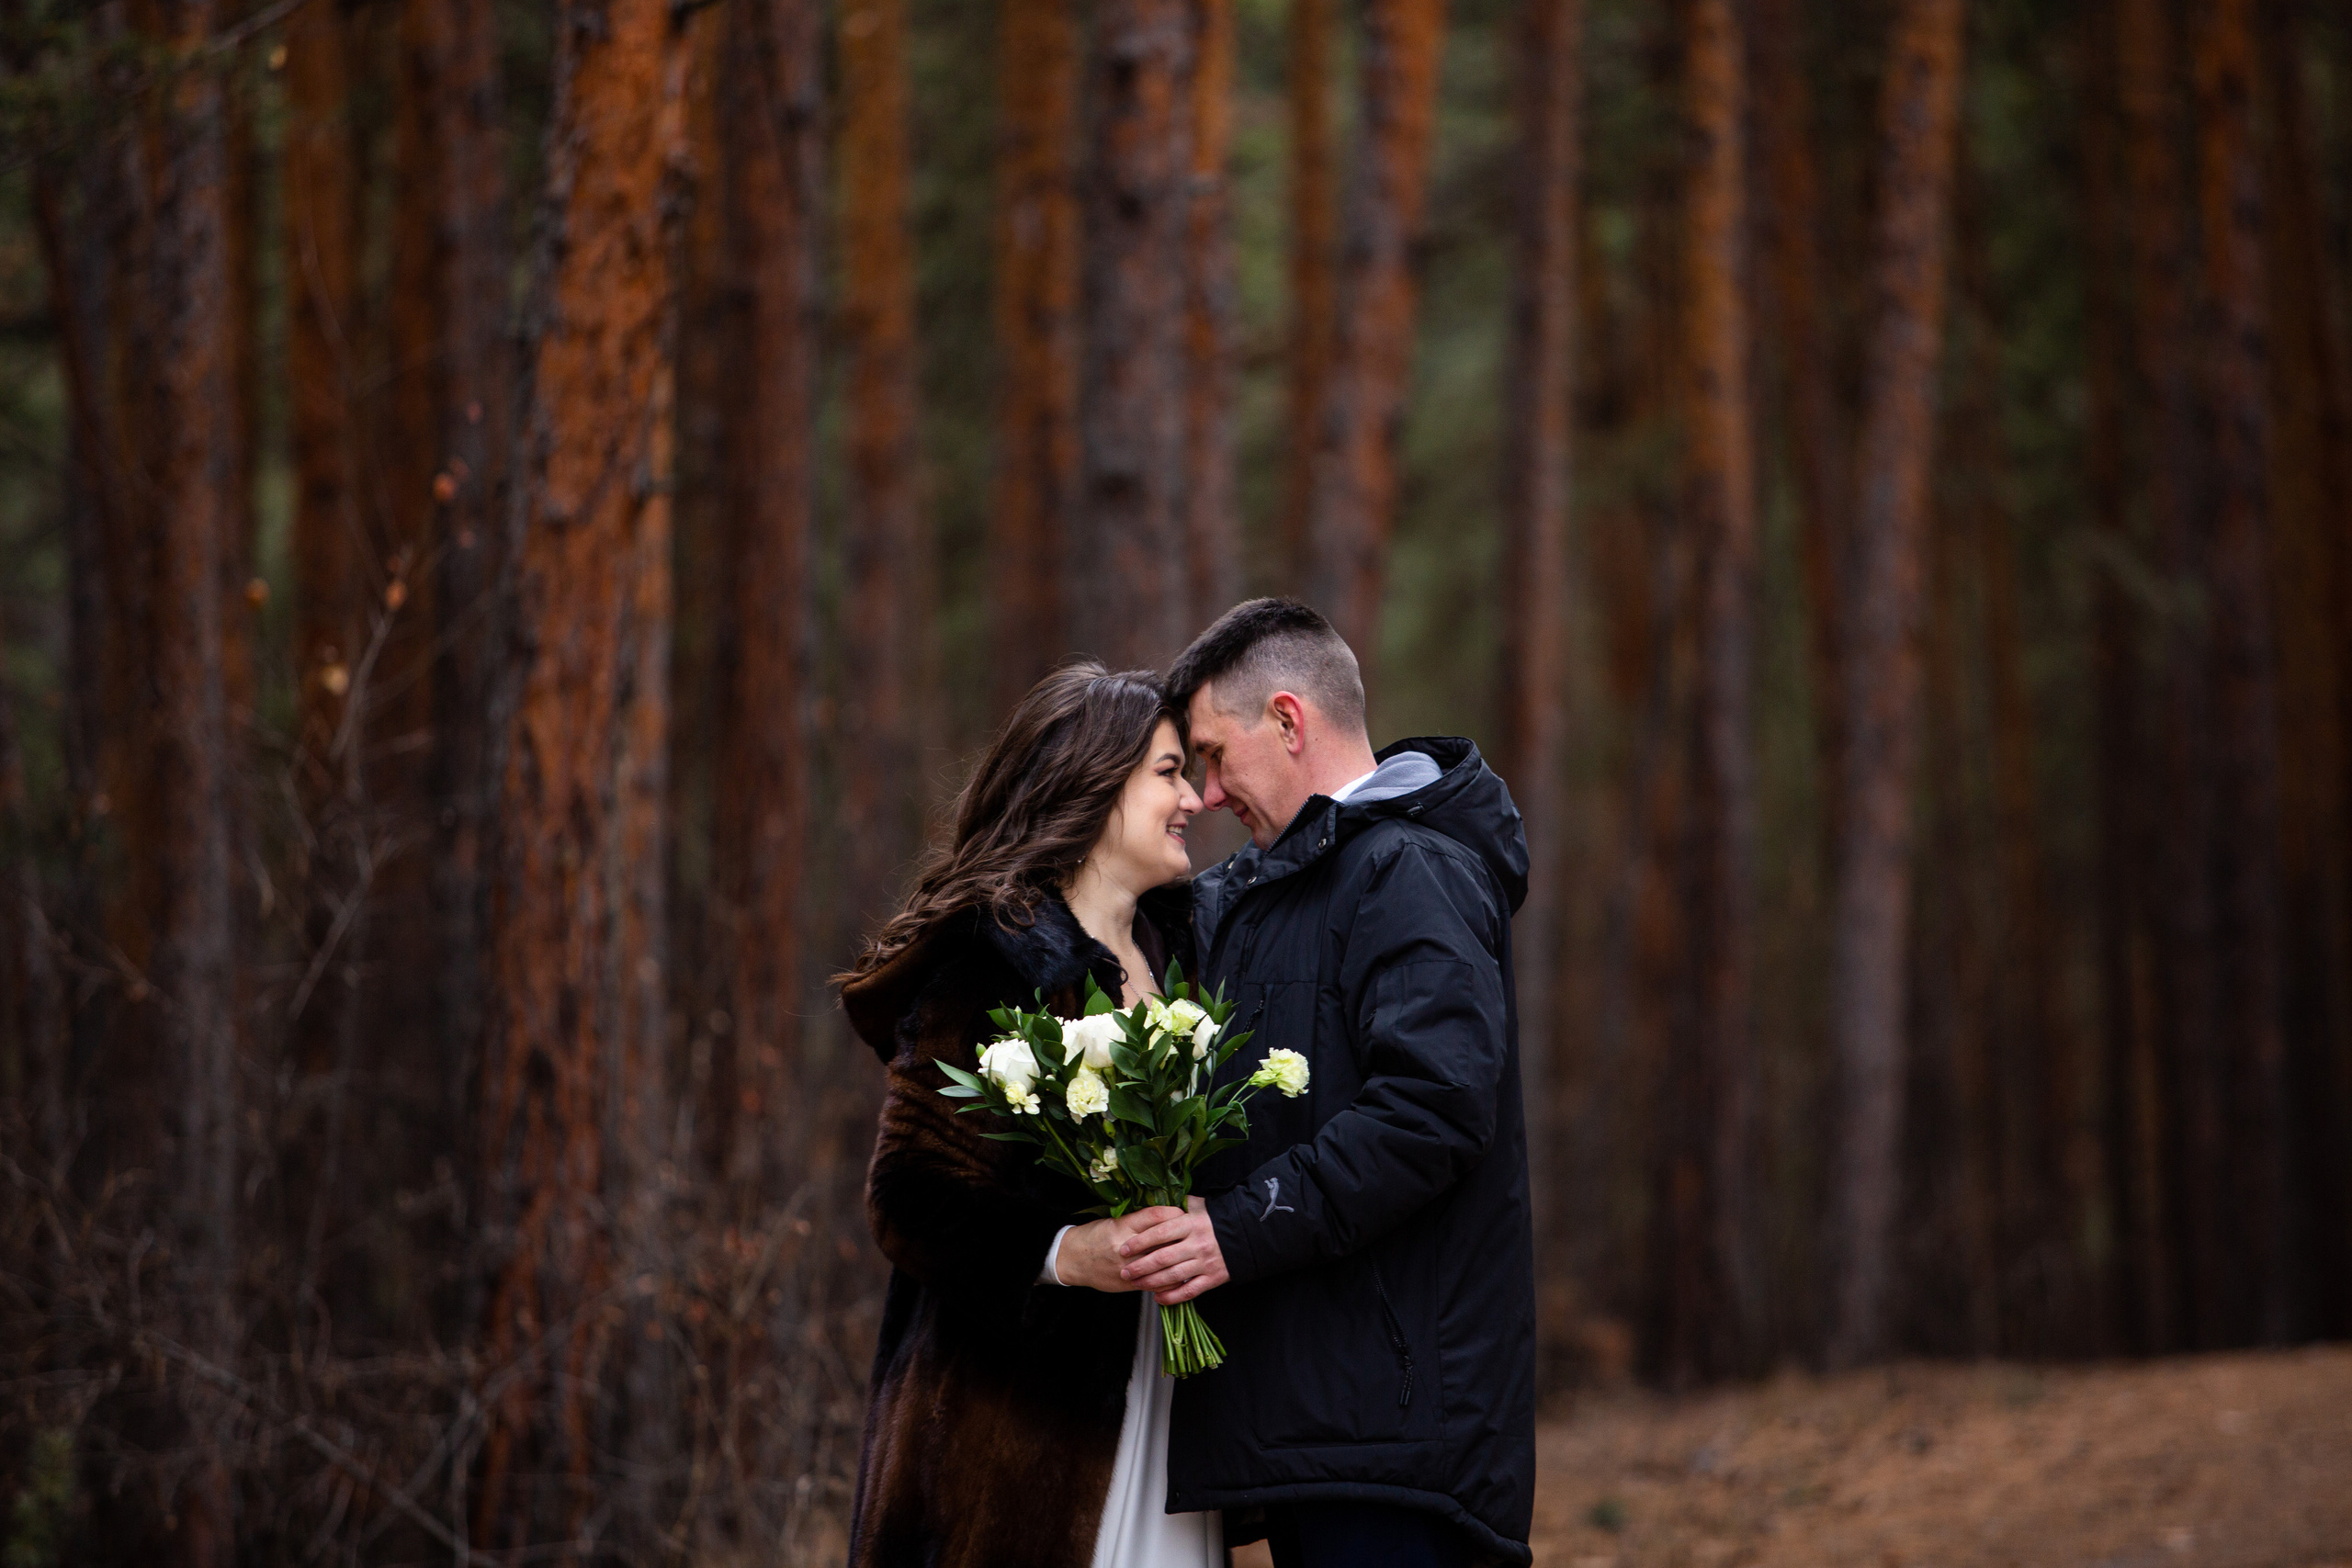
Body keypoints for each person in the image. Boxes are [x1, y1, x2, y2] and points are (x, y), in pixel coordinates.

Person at [1118, 598, 1538, 1568]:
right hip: (1323, 1428)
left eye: (1215, 756)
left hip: (1397, 1436)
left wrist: (1233, 1228)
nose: (1211, 794)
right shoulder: (1266, 893)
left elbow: (1432, 1108)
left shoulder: (1408, 869)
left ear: (1289, 720)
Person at [837, 661, 1224, 1568]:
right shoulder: (992, 963)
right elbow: (908, 1195)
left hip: (1167, 1412)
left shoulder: (1188, 957)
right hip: (1010, 1444)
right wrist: (1063, 1252)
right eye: (1169, 774)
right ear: (1092, 782)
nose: (1195, 800)